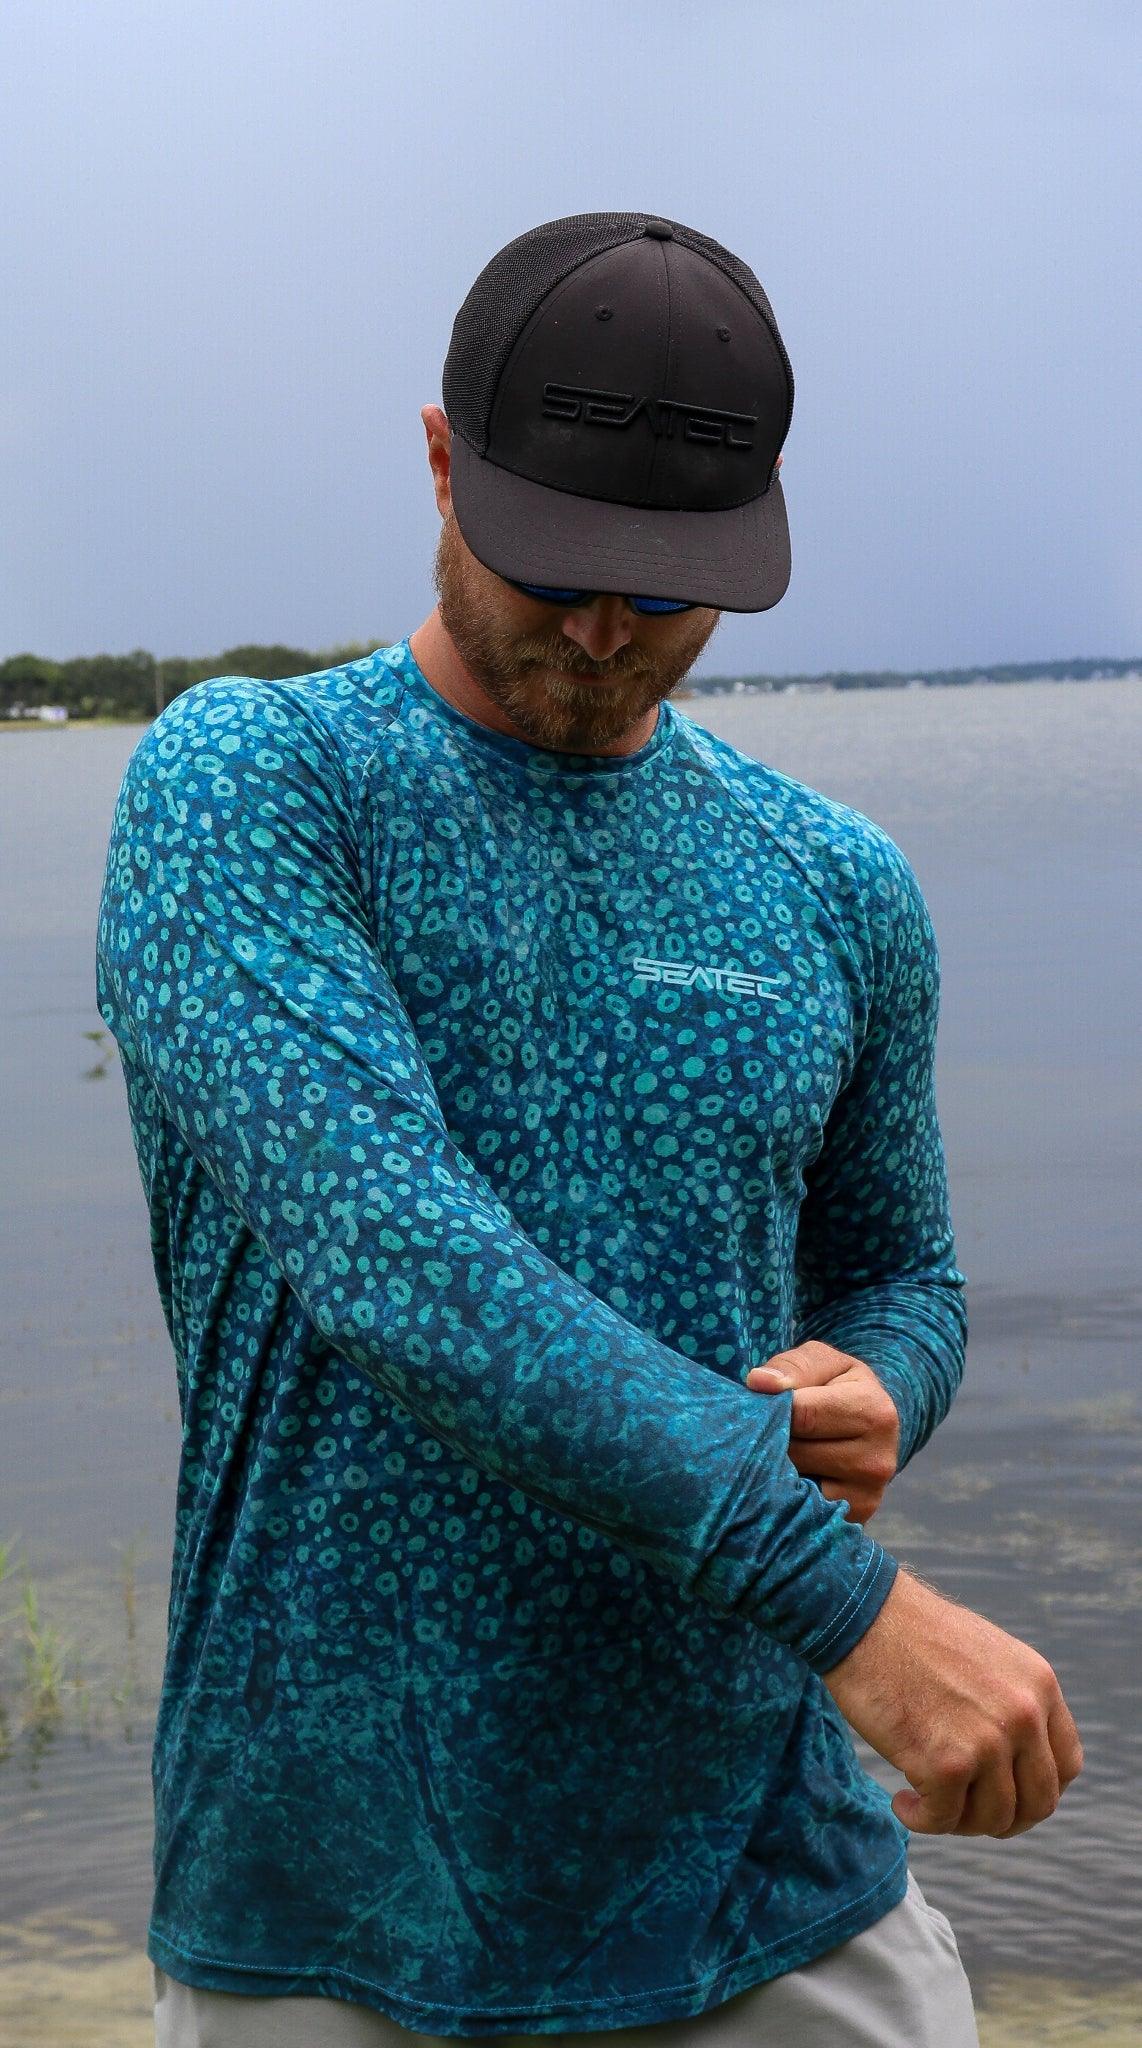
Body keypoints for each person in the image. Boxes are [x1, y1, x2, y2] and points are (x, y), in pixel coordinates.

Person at [95, 211, 1082, 2048]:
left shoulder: (833, 882)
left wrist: (881, 1381)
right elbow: (405, 1268)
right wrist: (853, 1609)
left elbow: (906, 1271)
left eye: (667, 583)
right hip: (329, 1906)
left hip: (775, 1889)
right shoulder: (254, 787)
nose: (606, 626)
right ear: (440, 458)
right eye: (555, 563)